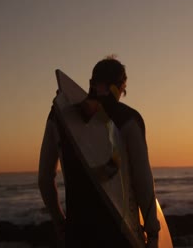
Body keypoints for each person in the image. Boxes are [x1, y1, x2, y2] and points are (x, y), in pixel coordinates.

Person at [39, 56, 160, 247]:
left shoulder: (59, 117)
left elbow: (45, 179)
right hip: (119, 238)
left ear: (91, 83)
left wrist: (60, 223)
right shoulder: (128, 119)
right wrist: (152, 233)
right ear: (121, 87)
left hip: (77, 236)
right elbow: (143, 181)